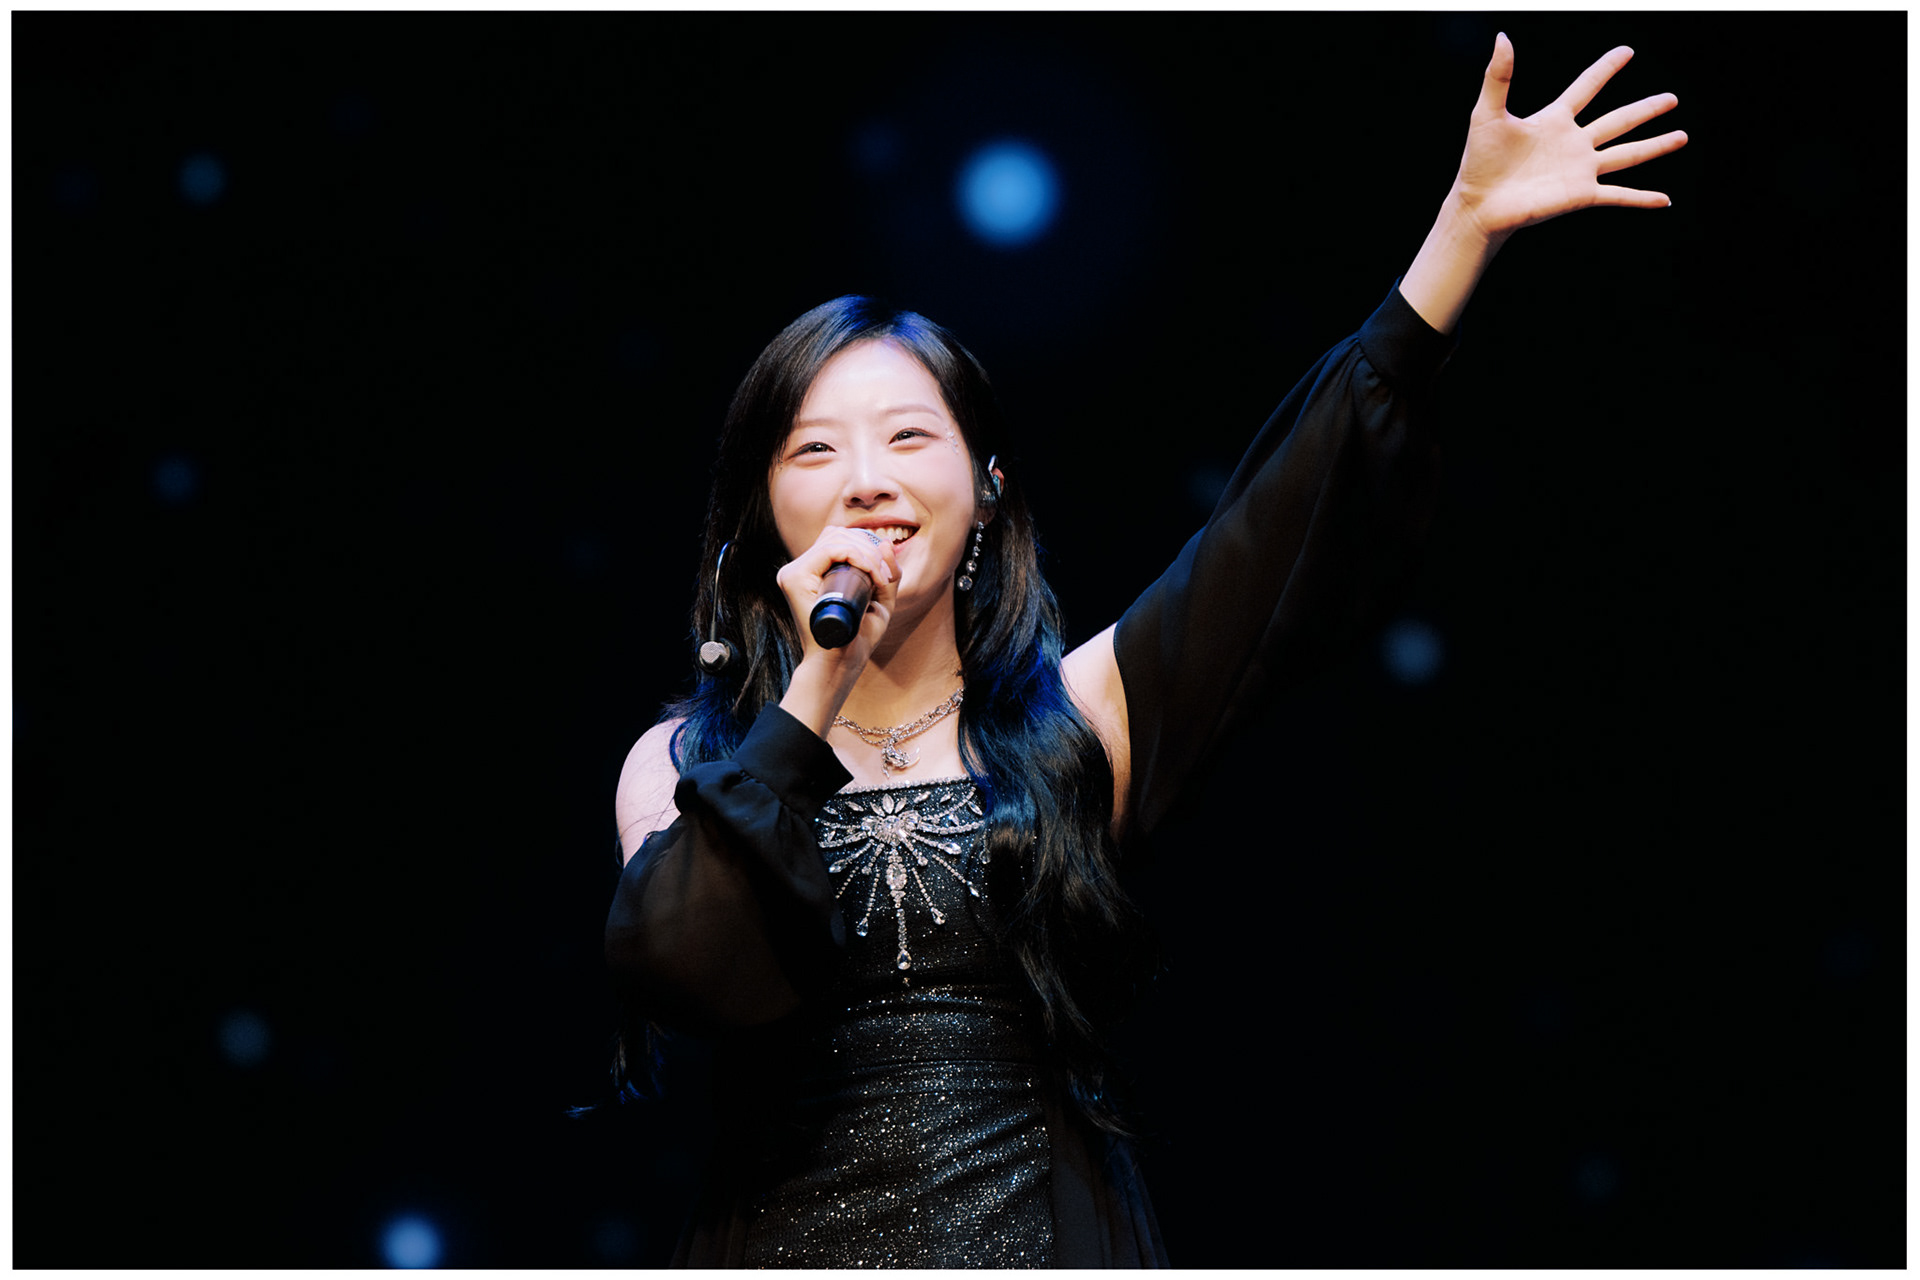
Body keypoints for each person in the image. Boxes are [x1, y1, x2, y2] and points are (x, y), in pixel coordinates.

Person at [604, 34, 1685, 1268]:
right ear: (761, 517)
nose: (867, 481)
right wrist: (815, 689)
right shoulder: (678, 763)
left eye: (909, 437)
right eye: (814, 450)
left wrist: (1460, 237)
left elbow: (1278, 526)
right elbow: (694, 970)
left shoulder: (1080, 715)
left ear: (986, 488)